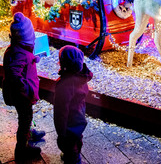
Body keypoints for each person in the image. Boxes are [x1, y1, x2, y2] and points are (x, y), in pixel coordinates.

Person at [2, 12, 45, 161]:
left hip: (19, 94)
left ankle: (30, 133)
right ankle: (21, 150)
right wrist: (26, 89)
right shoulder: (20, 53)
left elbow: (21, 60)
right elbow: (14, 73)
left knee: (26, 116)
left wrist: (33, 59)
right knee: (25, 119)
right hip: (22, 96)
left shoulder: (16, 49)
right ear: (27, 36)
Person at [54, 45, 93, 164]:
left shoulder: (65, 85)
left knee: (69, 144)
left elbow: (61, 111)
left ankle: (73, 159)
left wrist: (61, 132)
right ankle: (74, 155)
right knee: (77, 138)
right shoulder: (81, 78)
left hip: (69, 121)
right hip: (79, 116)